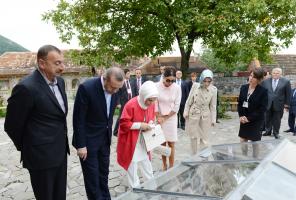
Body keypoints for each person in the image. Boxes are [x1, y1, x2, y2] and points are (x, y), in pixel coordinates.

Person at [4, 45, 69, 200]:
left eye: (62, 63)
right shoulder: (26, 88)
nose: (62, 68)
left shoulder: (60, 82)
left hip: (60, 153)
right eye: (57, 63)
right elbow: (12, 126)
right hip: (40, 158)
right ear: (42, 63)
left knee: (60, 196)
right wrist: (30, 148)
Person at [72, 67, 124, 200]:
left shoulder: (116, 88)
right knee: (92, 178)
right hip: (88, 143)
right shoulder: (86, 88)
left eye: (118, 88)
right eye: (113, 87)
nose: (115, 91)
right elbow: (79, 119)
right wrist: (81, 145)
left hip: (104, 140)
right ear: (104, 79)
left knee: (103, 174)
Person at [117, 81, 159, 187]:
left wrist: (150, 124)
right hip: (131, 142)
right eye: (149, 100)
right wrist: (140, 125)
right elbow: (123, 123)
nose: (151, 102)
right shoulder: (131, 104)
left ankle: (151, 190)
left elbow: (150, 118)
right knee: (133, 168)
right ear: (144, 95)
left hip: (143, 142)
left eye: (154, 100)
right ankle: (135, 192)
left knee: (147, 166)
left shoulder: (152, 104)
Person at [183, 69, 217, 155]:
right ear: (201, 79)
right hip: (194, 113)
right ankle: (193, 156)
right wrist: (186, 111)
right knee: (193, 137)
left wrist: (213, 119)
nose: (206, 83)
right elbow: (189, 100)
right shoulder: (195, 85)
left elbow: (213, 106)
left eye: (209, 81)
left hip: (205, 115)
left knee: (204, 138)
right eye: (205, 81)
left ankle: (203, 156)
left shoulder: (213, 89)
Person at [237, 68, 268, 157]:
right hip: (244, 119)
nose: (251, 78)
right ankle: (244, 158)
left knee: (255, 143)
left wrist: (249, 118)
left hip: (256, 121)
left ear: (258, 79)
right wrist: (241, 116)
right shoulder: (243, 88)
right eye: (250, 75)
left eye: (254, 77)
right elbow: (240, 103)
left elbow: (262, 109)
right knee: (243, 140)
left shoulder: (263, 91)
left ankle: (255, 161)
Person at [156, 66, 181, 170]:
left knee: (171, 142)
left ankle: (171, 165)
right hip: (159, 117)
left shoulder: (177, 88)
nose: (170, 82)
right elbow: (154, 103)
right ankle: (164, 164)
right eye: (168, 80)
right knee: (162, 142)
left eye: (172, 80)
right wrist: (158, 116)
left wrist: (165, 118)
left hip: (171, 117)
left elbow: (177, 105)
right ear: (163, 77)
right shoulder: (156, 86)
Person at [261, 67, 291, 139]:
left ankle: (276, 133)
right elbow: (262, 93)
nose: (275, 74)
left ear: (280, 74)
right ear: (271, 73)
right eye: (274, 73)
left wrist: (287, 105)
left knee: (277, 119)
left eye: (277, 73)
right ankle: (268, 131)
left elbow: (288, 94)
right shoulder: (265, 81)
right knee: (267, 118)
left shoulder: (286, 81)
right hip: (268, 104)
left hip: (279, 104)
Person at [113, 69, 133, 136]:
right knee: (121, 117)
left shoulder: (129, 82)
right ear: (124, 75)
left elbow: (130, 91)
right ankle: (115, 132)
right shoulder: (121, 82)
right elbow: (117, 93)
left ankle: (125, 130)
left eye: (129, 73)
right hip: (123, 102)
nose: (129, 75)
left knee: (128, 117)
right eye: (128, 73)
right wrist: (118, 103)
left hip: (129, 102)